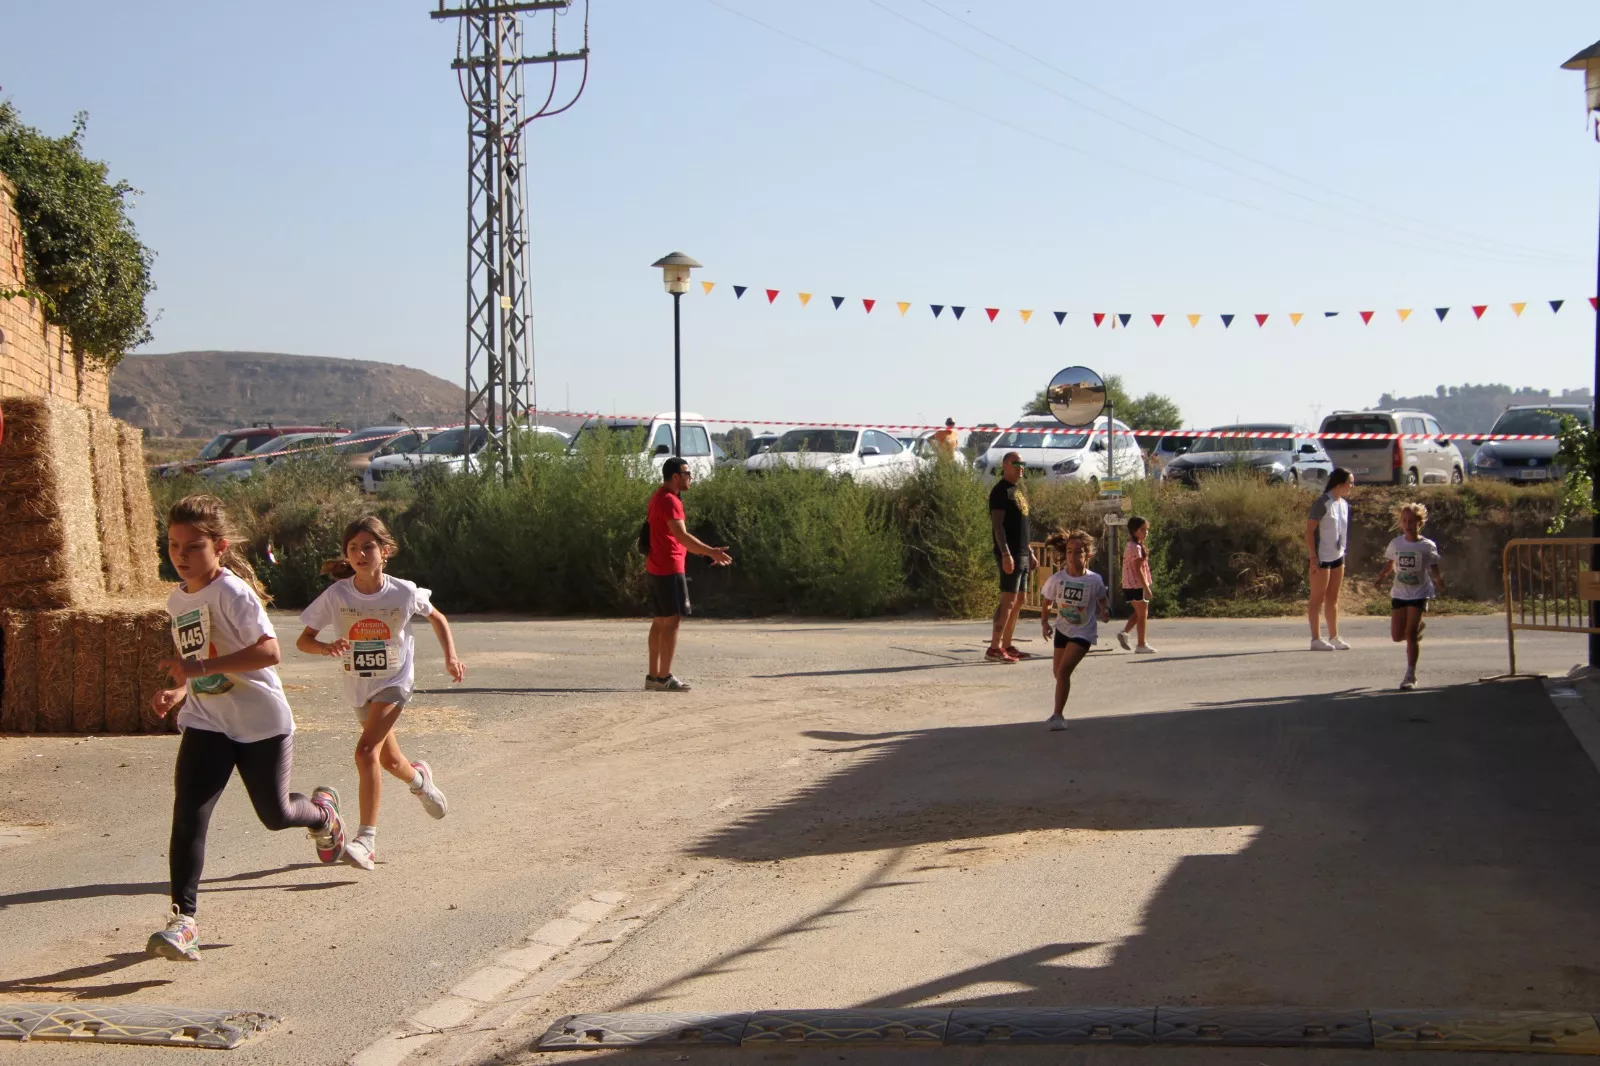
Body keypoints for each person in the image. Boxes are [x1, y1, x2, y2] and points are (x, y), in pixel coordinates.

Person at [147, 495, 346, 962]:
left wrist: (195, 668)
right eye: (173, 545)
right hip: (207, 721)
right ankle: (184, 922)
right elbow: (199, 663)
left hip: (260, 722)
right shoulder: (179, 599)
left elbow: (269, 652)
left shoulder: (233, 592)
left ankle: (323, 814)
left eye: (192, 547)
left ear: (220, 546)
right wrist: (178, 690)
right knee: (189, 814)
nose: (180, 555)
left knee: (275, 815)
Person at [296, 516, 464, 871]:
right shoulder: (338, 594)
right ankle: (420, 781)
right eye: (353, 547)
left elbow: (438, 618)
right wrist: (326, 647)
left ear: (384, 552)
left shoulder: (402, 591)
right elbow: (304, 641)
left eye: (368, 547)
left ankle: (366, 841)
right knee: (388, 761)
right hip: (359, 685)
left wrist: (450, 657)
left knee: (366, 752)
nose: (359, 553)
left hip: (395, 680)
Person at [645, 457, 732, 691]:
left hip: (655, 567)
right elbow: (682, 537)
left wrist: (703, 554)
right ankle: (664, 678)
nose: (690, 477)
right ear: (675, 476)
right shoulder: (671, 501)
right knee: (672, 622)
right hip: (669, 568)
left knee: (660, 621)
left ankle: (653, 677)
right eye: (687, 473)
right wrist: (712, 552)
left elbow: (672, 537)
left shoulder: (657, 497)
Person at [1039, 529, 1110, 731]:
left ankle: (1057, 715)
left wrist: (1106, 610)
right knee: (1058, 673)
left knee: (1062, 672)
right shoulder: (1057, 579)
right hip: (1062, 629)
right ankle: (1060, 707)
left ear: (1087, 555)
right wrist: (1044, 623)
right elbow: (1046, 603)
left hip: (1083, 632)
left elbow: (1103, 600)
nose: (1072, 556)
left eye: (1078, 551)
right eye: (1069, 551)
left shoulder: (1094, 580)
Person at [1374, 502, 1444, 691]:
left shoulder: (1427, 546)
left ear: (1420, 523)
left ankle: (1410, 675)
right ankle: (1417, 626)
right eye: (1404, 521)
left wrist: (1438, 581)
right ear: (1400, 523)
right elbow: (1390, 563)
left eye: (1412, 521)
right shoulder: (1396, 543)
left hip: (1419, 593)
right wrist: (1381, 577)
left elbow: (1434, 567)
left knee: (1410, 634)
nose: (1408, 524)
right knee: (1397, 636)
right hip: (1399, 593)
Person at [987, 452, 1038, 662]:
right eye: (1016, 463)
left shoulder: (1018, 491)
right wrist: (1006, 553)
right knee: (1007, 600)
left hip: (1022, 553)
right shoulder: (1001, 491)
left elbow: (1021, 528)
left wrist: (1031, 552)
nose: (1020, 467)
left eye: (1022, 463)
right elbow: (998, 526)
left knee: (1020, 600)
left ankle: (1007, 644)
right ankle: (994, 647)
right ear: (1005, 465)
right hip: (1009, 554)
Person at [1306, 467, 1355, 651]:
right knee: (1317, 598)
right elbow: (1309, 531)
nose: (1352, 486)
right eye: (1350, 482)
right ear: (1340, 483)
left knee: (1333, 598)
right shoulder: (1323, 502)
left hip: (1338, 555)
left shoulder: (1343, 504)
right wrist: (1312, 556)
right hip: (1321, 557)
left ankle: (1334, 636)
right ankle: (1315, 639)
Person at [1116, 515, 1156, 654]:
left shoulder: (1133, 545)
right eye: (1143, 529)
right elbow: (1138, 569)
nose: (1146, 532)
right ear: (1134, 531)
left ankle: (1125, 633)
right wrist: (1146, 587)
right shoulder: (1135, 547)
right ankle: (1141, 644)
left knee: (1139, 612)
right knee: (1143, 614)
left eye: (1147, 529)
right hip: (1136, 584)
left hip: (1131, 584)